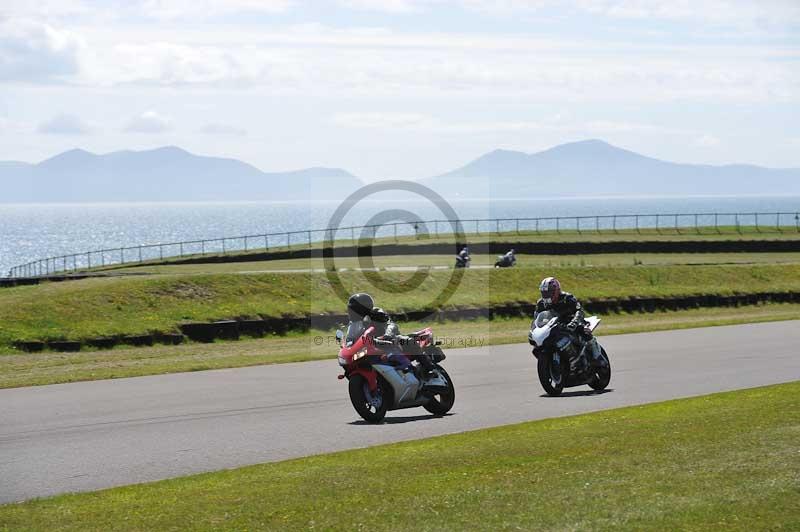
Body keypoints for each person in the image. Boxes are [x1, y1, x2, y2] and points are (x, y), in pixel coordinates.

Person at [346, 292, 435, 377]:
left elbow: (390, 324)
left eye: (353, 309)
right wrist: (348, 343)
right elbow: (353, 337)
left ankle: (429, 368)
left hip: (389, 340)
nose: (350, 312)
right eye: (350, 309)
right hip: (373, 344)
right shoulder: (355, 323)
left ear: (361, 309)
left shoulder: (377, 313)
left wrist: (388, 334)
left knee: (409, 341)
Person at [534, 277, 605, 368]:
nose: (546, 295)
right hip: (554, 326)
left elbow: (579, 311)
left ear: (556, 290)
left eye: (549, 292)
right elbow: (536, 317)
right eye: (544, 292)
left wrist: (574, 322)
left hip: (572, 322)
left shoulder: (567, 298)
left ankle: (597, 356)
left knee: (584, 331)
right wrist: (535, 328)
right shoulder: (541, 303)